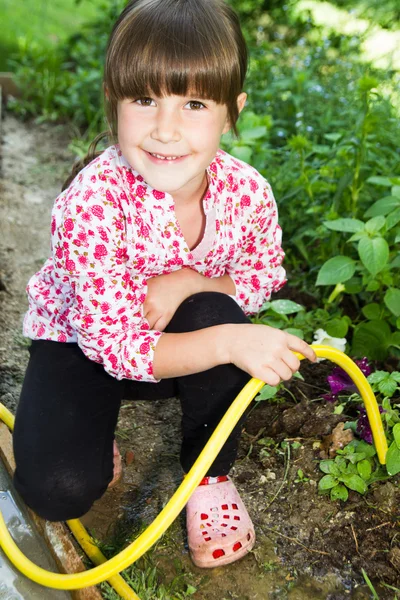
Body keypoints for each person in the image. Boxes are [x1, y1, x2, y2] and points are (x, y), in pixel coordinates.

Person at [12, 0, 316, 569]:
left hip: (177, 347)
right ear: (115, 101)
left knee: (215, 308)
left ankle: (210, 475)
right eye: (145, 99)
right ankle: (89, 429)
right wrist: (229, 342)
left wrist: (189, 281)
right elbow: (115, 346)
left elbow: (263, 272)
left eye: (195, 103)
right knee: (56, 491)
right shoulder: (92, 203)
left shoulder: (248, 193)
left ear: (231, 113)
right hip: (85, 346)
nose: (166, 129)